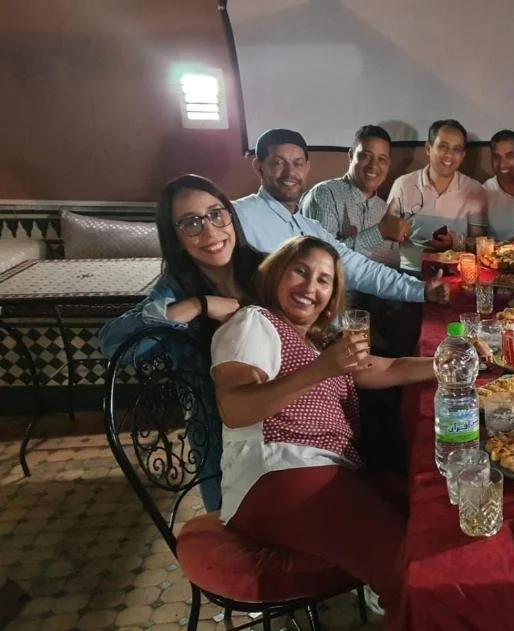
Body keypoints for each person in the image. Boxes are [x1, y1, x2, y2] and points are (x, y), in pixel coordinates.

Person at [210, 235, 440, 605]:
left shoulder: (320, 342)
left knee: (435, 516)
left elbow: (391, 367)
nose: (309, 287)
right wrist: (321, 369)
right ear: (276, 273)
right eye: (300, 272)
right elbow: (235, 410)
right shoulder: (254, 322)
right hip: (277, 471)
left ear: (332, 296)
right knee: (409, 567)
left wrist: (455, 359)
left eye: (323, 280)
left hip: (332, 469)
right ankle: (420, 627)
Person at [99, 174, 266, 512]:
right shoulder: (175, 290)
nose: (210, 231)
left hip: (289, 416)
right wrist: (198, 305)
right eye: (191, 223)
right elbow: (114, 344)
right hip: (219, 437)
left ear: (230, 216)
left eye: (216, 214)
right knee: (232, 523)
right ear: (175, 238)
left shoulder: (269, 268)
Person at [233, 128, 448, 305]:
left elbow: (360, 269)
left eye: (297, 163)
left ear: (307, 168)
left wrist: (421, 290)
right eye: (278, 163)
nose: (290, 173)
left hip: (329, 322)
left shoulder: (310, 228)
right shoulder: (238, 214)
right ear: (259, 167)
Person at [300, 124, 408, 267]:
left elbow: (392, 268)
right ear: (351, 156)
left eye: (382, 159)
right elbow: (321, 261)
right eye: (366, 156)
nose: (373, 166)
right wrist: (379, 232)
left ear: (389, 164)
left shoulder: (385, 210)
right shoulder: (325, 194)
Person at [386, 119, 487, 251]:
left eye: (457, 149)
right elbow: (386, 231)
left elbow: (479, 240)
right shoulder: (403, 185)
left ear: (463, 156)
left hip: (454, 262)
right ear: (428, 148)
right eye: (443, 146)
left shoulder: (474, 189)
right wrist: (397, 236)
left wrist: (455, 243)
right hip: (409, 261)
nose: (449, 155)